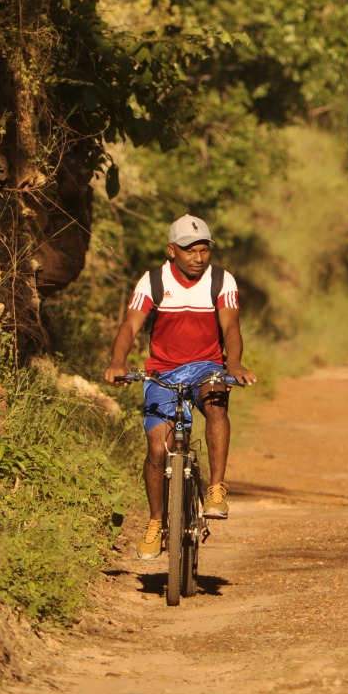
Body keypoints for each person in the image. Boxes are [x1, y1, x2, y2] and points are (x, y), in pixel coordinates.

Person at [104, 213, 258, 560]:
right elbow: (130, 325)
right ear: (171, 250)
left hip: (206, 366)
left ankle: (216, 490)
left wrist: (231, 364)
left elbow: (231, 327)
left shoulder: (221, 280)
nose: (198, 259)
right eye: (190, 251)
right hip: (163, 371)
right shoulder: (153, 281)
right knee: (157, 449)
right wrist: (117, 362)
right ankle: (156, 522)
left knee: (216, 404)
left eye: (204, 251)